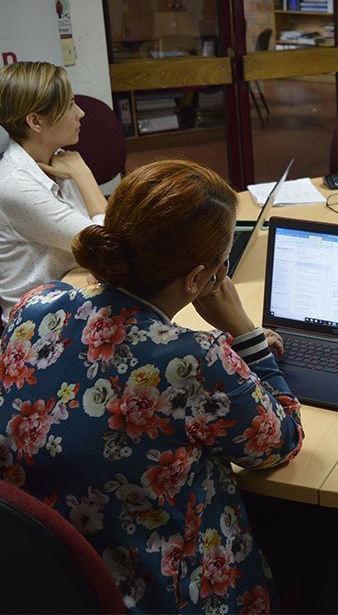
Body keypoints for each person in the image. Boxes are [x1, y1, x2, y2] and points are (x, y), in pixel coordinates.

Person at [0, 160, 304, 613]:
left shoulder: (35, 306)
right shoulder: (192, 360)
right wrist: (246, 334)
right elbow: (281, 441)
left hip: (39, 572)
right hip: (159, 591)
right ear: (200, 280)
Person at [0, 61, 107, 320]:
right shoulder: (15, 184)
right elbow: (107, 244)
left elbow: (106, 237)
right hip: (35, 322)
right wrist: (84, 175)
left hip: (71, 285)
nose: (80, 113)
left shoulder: (56, 159)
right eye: (70, 104)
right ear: (35, 121)